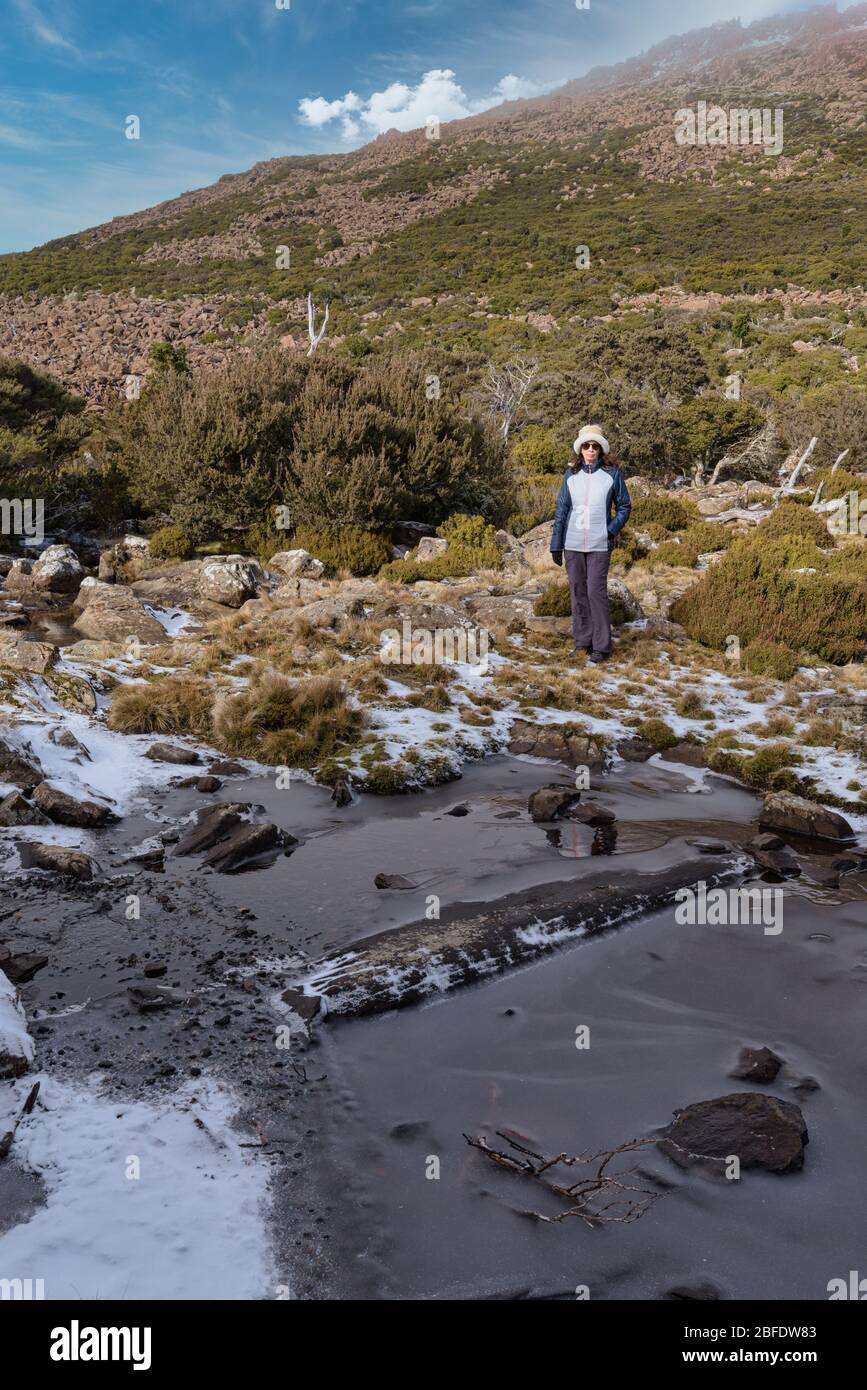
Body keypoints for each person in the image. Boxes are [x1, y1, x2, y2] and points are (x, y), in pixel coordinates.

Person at [550, 424, 631, 663]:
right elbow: (562, 510)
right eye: (586, 445)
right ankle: (582, 642)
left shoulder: (613, 474)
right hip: (572, 544)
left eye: (595, 446)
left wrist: (610, 530)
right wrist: (556, 544)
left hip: (600, 544)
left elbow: (624, 507)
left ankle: (602, 646)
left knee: (596, 592)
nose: (591, 450)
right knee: (578, 593)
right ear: (580, 449)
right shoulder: (570, 475)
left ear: (601, 449)